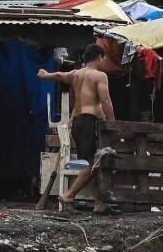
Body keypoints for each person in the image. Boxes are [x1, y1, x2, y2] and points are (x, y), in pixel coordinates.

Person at [37, 44, 114, 210]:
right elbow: (105, 101)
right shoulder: (99, 76)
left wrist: (45, 75)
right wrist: (112, 122)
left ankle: (99, 203)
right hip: (89, 122)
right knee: (93, 163)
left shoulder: (75, 74)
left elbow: (58, 75)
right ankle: (68, 195)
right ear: (99, 57)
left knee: (92, 162)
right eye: (104, 58)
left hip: (79, 121)